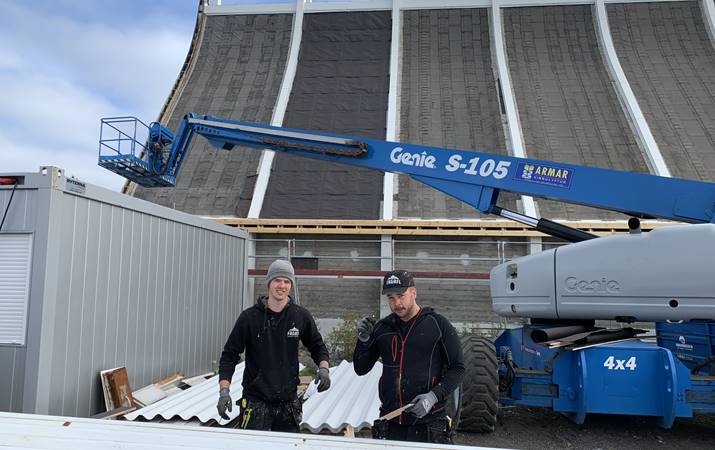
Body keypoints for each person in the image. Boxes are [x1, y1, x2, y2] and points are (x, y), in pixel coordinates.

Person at [217, 259, 331, 432]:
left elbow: (317, 346)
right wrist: (224, 391)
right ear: (269, 283)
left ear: (291, 285)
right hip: (255, 403)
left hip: (288, 404)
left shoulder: (300, 316)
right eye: (278, 280)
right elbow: (229, 356)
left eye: (287, 281)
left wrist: (324, 368)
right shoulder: (249, 318)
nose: (282, 285)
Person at [353, 269, 465, 444]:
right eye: (391, 297)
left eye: (401, 295)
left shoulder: (438, 325)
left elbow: (458, 368)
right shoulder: (383, 329)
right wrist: (364, 340)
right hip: (391, 423)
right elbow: (360, 368)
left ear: (413, 293)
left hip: (430, 424)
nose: (397, 303)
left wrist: (433, 396)